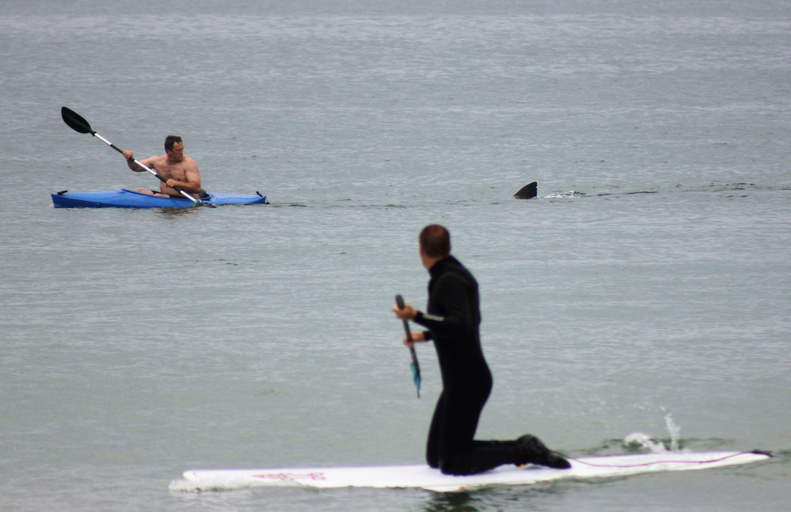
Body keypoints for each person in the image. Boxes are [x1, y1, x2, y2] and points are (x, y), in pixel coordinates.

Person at [393, 224, 571, 476]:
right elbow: (461, 324)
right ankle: (522, 444)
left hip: (468, 382)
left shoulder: (448, 280)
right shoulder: (456, 275)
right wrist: (423, 336)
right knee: (436, 458)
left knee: (452, 464)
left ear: (421, 250)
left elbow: (461, 326)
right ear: (449, 247)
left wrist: (416, 316)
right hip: (460, 382)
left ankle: (526, 453)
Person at [122, 135, 202, 198]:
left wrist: (177, 183)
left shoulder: (189, 163)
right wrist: (129, 158)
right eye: (178, 150)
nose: (181, 153)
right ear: (168, 151)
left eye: (182, 149)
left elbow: (197, 188)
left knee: (158, 196)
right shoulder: (158, 161)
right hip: (164, 196)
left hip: (185, 198)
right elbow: (136, 167)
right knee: (137, 191)